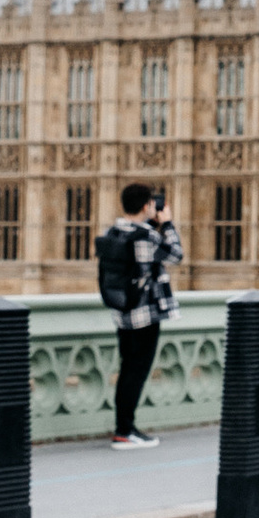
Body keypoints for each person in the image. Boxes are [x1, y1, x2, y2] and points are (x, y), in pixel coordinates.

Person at [96, 181, 184, 448]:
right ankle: (125, 431)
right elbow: (176, 255)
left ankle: (123, 427)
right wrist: (167, 224)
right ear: (147, 206)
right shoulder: (145, 236)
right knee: (137, 372)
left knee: (127, 371)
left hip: (122, 313)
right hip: (145, 314)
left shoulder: (114, 231)